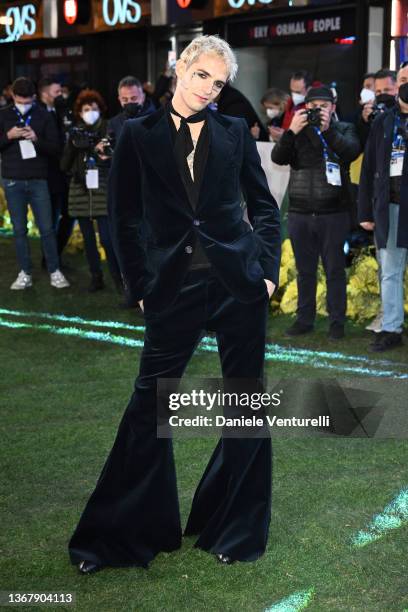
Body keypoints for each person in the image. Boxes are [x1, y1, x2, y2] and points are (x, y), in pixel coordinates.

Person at [68, 34, 281, 574]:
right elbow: (124, 219)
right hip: (172, 288)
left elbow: (263, 205)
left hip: (238, 285)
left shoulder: (234, 130)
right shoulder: (135, 134)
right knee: (148, 408)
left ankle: (234, 529)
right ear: (179, 68)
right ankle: (118, 536)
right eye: (202, 75)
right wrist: (138, 285)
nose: (209, 89)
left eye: (219, 82)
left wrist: (268, 272)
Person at [272, 86, 360, 339]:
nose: (318, 110)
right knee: (305, 271)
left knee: (334, 271)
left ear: (333, 107)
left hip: (333, 213)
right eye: (313, 106)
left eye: (323, 105)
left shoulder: (343, 129)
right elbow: (278, 158)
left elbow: (350, 151)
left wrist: (327, 131)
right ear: (305, 108)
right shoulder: (297, 132)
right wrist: (291, 131)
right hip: (300, 212)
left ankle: (336, 323)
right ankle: (304, 320)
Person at [0, 77, 70, 290]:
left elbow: (56, 148)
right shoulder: (3, 116)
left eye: (28, 101)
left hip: (39, 179)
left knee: (47, 229)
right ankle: (25, 272)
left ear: (34, 97)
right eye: (20, 101)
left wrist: (37, 139)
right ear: (13, 96)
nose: (24, 104)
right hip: (13, 180)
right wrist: (8, 135)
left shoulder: (42, 115)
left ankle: (54, 270)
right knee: (19, 230)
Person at [358, 69, 408, 352]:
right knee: (389, 272)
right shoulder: (384, 121)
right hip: (389, 209)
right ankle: (391, 328)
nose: (406, 85)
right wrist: (365, 211)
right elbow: (367, 169)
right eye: (402, 81)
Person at [61, 89, 121, 292]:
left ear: (100, 109)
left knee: (107, 238)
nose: (90, 112)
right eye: (86, 109)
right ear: (79, 111)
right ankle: (96, 277)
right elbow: (64, 165)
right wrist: (73, 146)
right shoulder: (75, 132)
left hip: (103, 188)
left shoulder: (108, 128)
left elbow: (117, 160)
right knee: (88, 240)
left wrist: (101, 149)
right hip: (80, 190)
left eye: (94, 108)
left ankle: (118, 278)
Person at [38, 76, 74, 263]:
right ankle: (49, 258)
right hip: (48, 175)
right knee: (51, 218)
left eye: (61, 91)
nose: (61, 95)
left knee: (69, 215)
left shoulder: (60, 111)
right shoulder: (39, 114)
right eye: (56, 92)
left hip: (64, 173)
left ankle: (54, 253)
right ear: (45, 94)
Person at [108, 75, 156, 142]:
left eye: (134, 98)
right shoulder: (114, 123)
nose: (129, 102)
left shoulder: (157, 120)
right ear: (119, 100)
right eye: (125, 99)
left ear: (143, 97)